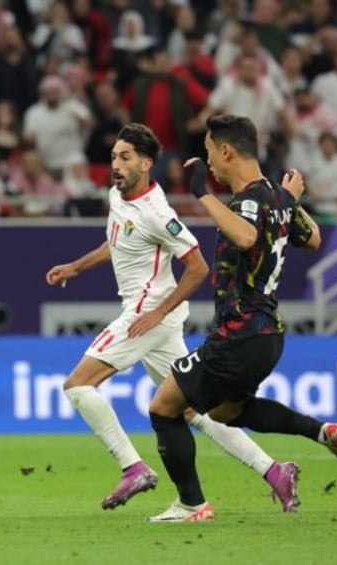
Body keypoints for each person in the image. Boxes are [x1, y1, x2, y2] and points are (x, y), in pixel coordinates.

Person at [45, 123, 296, 513]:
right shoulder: (118, 195)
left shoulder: (158, 212)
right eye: (114, 156)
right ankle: (273, 471)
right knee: (194, 411)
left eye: (125, 157)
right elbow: (118, 241)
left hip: (148, 313)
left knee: (78, 385)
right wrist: (76, 267)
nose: (116, 164)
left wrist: (157, 313)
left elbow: (196, 266)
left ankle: (133, 468)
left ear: (146, 164)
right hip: (155, 319)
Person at [146, 114, 337, 523]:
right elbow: (311, 238)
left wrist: (201, 196)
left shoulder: (243, 202)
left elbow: (245, 237)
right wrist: (288, 201)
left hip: (238, 334)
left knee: (163, 408)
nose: (209, 165)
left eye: (209, 154)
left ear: (226, 150)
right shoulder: (274, 197)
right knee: (227, 412)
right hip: (267, 336)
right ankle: (322, 431)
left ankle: (191, 504)